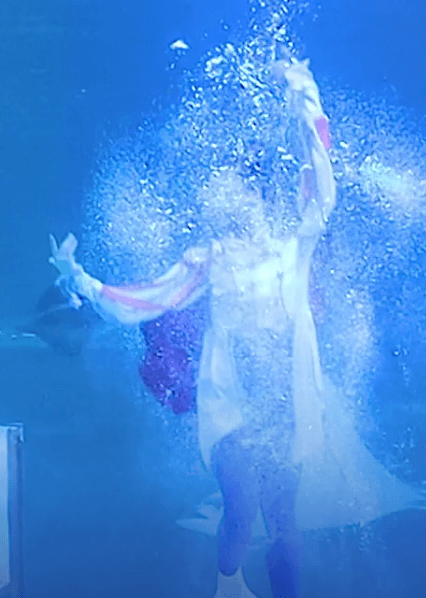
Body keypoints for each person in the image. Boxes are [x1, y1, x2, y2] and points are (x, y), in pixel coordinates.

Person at [48, 57, 424, 598]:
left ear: (254, 197)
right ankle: (229, 588)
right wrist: (80, 279)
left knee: (282, 520)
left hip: (283, 402)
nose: (217, 198)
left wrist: (306, 93)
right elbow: (150, 299)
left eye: (228, 188)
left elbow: (323, 181)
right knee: (242, 509)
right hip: (233, 408)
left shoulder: (292, 246)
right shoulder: (210, 258)